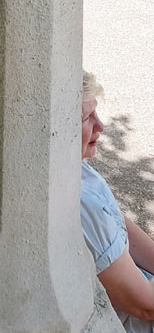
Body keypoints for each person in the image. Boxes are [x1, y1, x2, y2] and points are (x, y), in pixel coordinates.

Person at [81, 72, 154, 329]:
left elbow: (120, 224)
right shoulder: (81, 206)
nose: (100, 126)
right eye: (86, 118)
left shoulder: (78, 166)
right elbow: (145, 305)